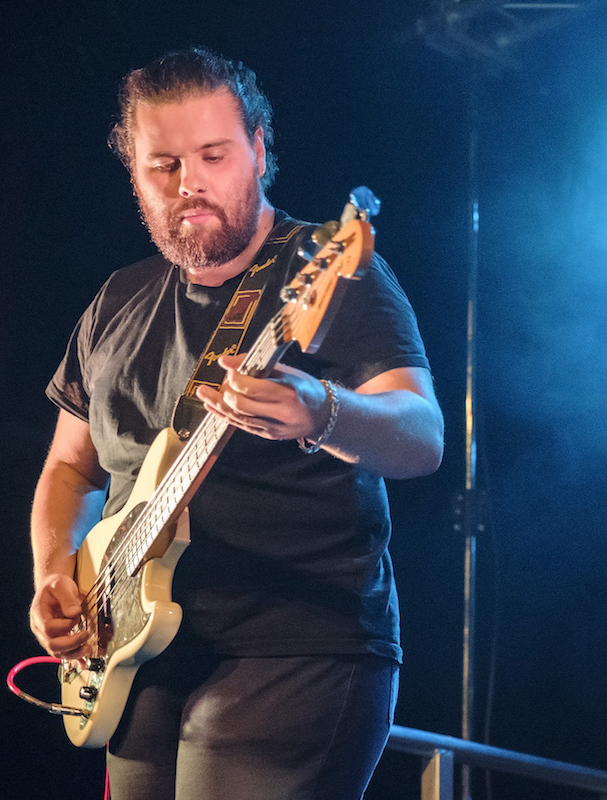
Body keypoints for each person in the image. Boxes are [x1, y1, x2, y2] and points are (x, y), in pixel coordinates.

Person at [28, 47, 444, 800]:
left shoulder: (327, 272)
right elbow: (68, 467)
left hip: (297, 641)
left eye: (213, 156)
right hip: (138, 652)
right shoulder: (116, 300)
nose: (189, 183)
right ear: (133, 173)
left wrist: (323, 411)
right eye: (163, 165)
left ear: (258, 148)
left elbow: (422, 437)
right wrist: (56, 572)